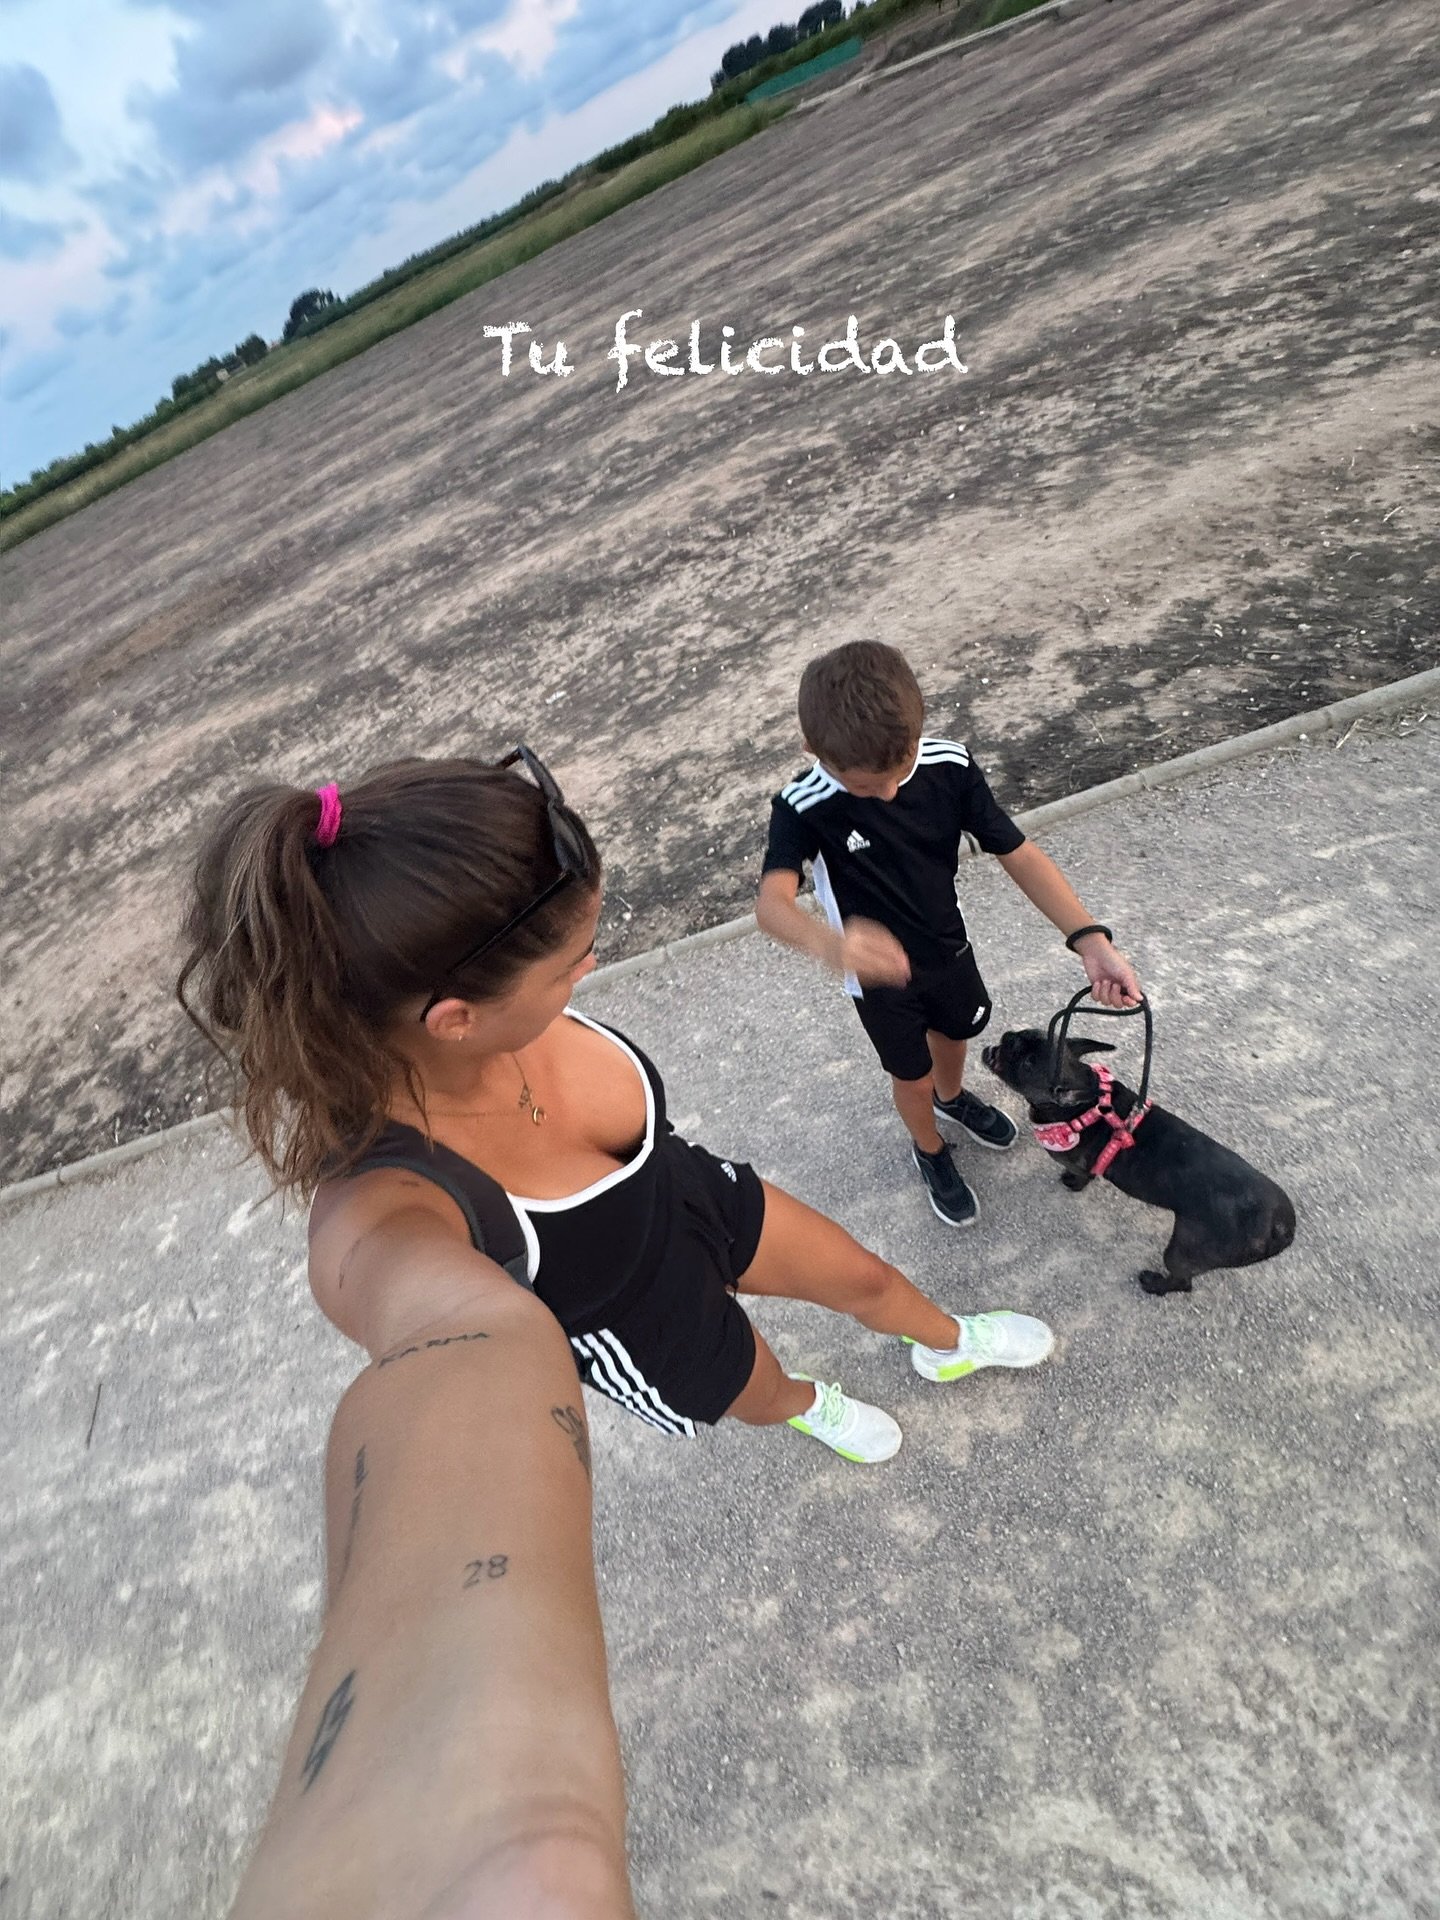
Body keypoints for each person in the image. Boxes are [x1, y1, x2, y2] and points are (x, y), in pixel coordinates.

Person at [180, 749, 1054, 1913]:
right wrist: (484, 1812)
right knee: (762, 1382)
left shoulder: (481, 1004)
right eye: (572, 963)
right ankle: (812, 1408)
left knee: (864, 1272)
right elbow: (444, 1368)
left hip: (688, 1193)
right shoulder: (387, 1213)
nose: (591, 969)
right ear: (455, 1017)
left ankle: (945, 1340)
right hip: (634, 1324)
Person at [755, 642, 1143, 1229]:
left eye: (900, 771)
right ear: (814, 750)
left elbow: (1018, 851)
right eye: (866, 788)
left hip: (947, 949)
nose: (889, 794)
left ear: (919, 727)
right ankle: (930, 1147)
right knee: (909, 1076)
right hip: (877, 977)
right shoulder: (802, 804)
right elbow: (771, 906)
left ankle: (953, 1096)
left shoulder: (950, 766)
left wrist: (1090, 939)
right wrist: (833, 947)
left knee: (957, 1034)